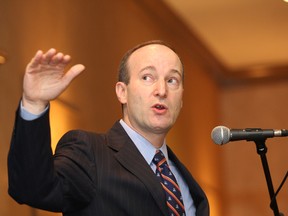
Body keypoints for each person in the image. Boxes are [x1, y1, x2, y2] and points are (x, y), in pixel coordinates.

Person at [8, 40, 209, 216]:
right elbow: (32, 188)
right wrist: (34, 104)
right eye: (147, 77)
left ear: (181, 99)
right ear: (122, 92)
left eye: (172, 80)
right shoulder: (90, 153)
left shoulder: (184, 181)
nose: (162, 90)